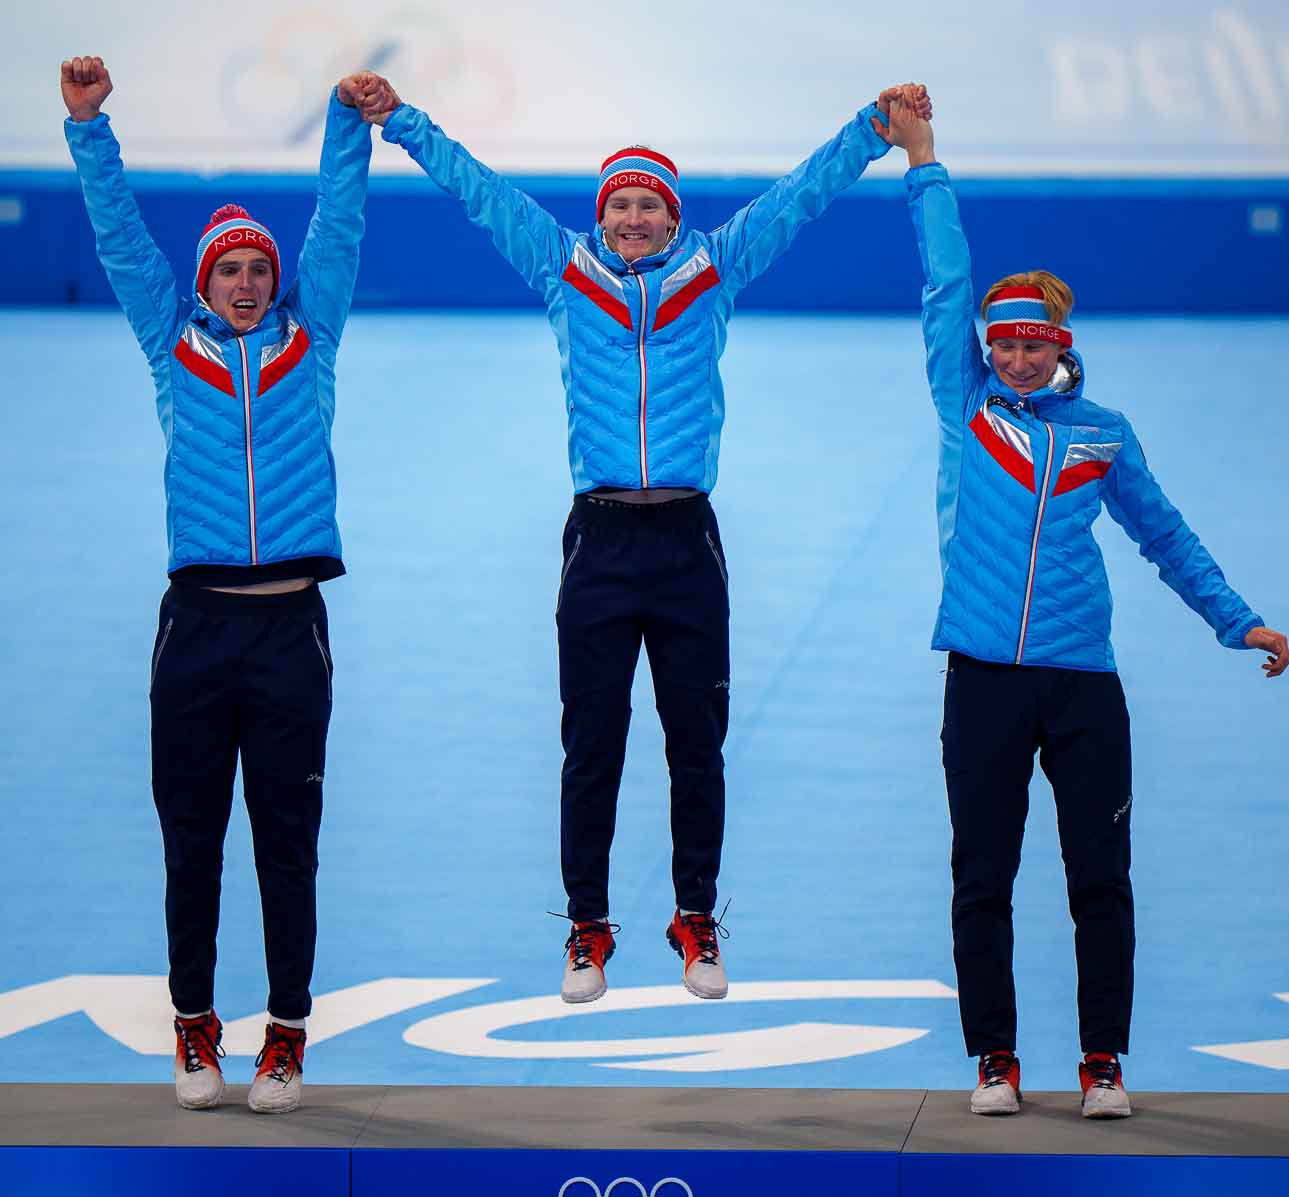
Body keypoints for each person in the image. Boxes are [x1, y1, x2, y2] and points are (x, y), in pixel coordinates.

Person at [352, 74, 931, 1004]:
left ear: (671, 217)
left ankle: (694, 916)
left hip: (685, 542)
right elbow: (478, 191)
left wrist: (871, 128)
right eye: (617, 205)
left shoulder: (714, 269)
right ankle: (587, 926)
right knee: (593, 744)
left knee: (696, 741)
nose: (630, 220)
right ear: (600, 215)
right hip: (600, 541)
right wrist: (401, 122)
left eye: (647, 206)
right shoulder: (561, 268)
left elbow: (799, 198)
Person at [875, 96, 1287, 1118]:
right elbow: (941, 284)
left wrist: (1239, 619)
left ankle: (1101, 1060)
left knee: (1097, 877)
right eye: (1000, 343)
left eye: (1032, 345)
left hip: (1080, 686)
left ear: (1060, 345)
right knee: (982, 879)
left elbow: (1164, 536)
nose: (1014, 358)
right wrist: (921, 157)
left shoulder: (1101, 433)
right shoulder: (964, 410)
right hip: (980, 680)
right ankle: (993, 1060)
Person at [61, 56, 379, 1113]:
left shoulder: (311, 338)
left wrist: (344, 120)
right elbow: (118, 239)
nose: (245, 282)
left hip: (291, 629)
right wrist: (88, 125)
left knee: (287, 843)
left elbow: (339, 221)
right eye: (227, 271)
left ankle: (285, 1035)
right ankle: (193, 1028)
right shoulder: (170, 346)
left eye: (257, 269)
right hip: (194, 629)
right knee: (191, 839)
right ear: (202, 286)